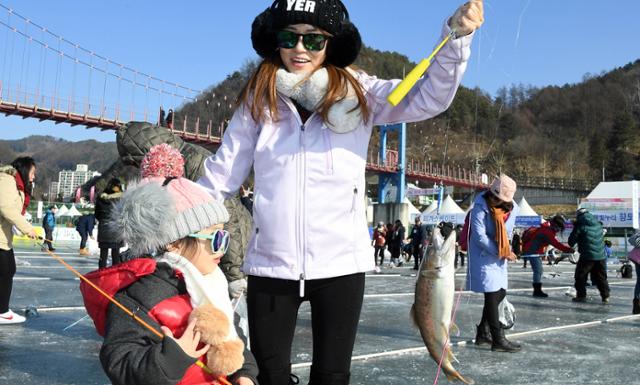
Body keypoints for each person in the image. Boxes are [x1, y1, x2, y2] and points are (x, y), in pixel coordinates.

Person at [196, 0, 483, 382]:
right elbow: (222, 174)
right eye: (289, 37)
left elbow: (430, 96)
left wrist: (455, 39)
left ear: (331, 43)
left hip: (341, 267)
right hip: (270, 264)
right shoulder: (257, 98)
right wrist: (180, 224)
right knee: (270, 374)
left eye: (314, 40)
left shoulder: (360, 92)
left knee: (332, 375)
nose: (300, 49)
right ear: (274, 41)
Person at [82, 176, 258, 385]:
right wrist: (172, 357)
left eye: (225, 237)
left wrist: (244, 374)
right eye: (215, 239)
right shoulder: (141, 295)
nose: (222, 248)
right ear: (174, 243)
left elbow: (234, 337)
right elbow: (120, 363)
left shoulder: (213, 284)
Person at [467, 174, 521, 353]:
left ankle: (483, 332)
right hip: (484, 254)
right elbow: (479, 235)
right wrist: (501, 251)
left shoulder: (512, 207)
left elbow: (508, 231)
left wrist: (508, 249)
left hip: (499, 256)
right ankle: (498, 339)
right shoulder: (480, 206)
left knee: (500, 292)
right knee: (491, 294)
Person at [0, 156, 38, 325]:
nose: (33, 177)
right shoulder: (6, 180)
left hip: (3, 235)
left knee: (8, 269)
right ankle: (2, 311)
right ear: (24, 169)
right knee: (7, 269)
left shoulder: (18, 186)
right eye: (32, 172)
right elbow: (6, 207)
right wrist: (27, 228)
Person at [520, 215, 574, 298]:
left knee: (539, 270)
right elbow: (555, 243)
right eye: (559, 227)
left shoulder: (547, 229)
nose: (559, 230)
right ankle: (537, 291)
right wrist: (568, 249)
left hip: (533, 250)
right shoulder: (547, 231)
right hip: (532, 251)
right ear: (555, 225)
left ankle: (537, 290)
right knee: (538, 270)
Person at [568, 208, 610, 303]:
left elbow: (571, 242)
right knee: (601, 277)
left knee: (580, 276)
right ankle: (605, 296)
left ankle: (581, 296)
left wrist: (575, 228)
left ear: (578, 215)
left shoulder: (580, 225)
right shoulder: (598, 224)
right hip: (601, 256)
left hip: (587, 256)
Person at [95, 178, 123, 269]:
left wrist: (103, 221)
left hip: (103, 228)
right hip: (116, 228)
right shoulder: (121, 199)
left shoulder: (101, 199)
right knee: (115, 254)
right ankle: (114, 274)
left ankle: (101, 273)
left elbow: (97, 214)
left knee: (103, 254)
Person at [628, 230, 640, 314]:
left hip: (637, 257)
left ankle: (637, 306)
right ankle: (637, 305)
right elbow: (633, 240)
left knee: (639, 281)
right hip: (638, 258)